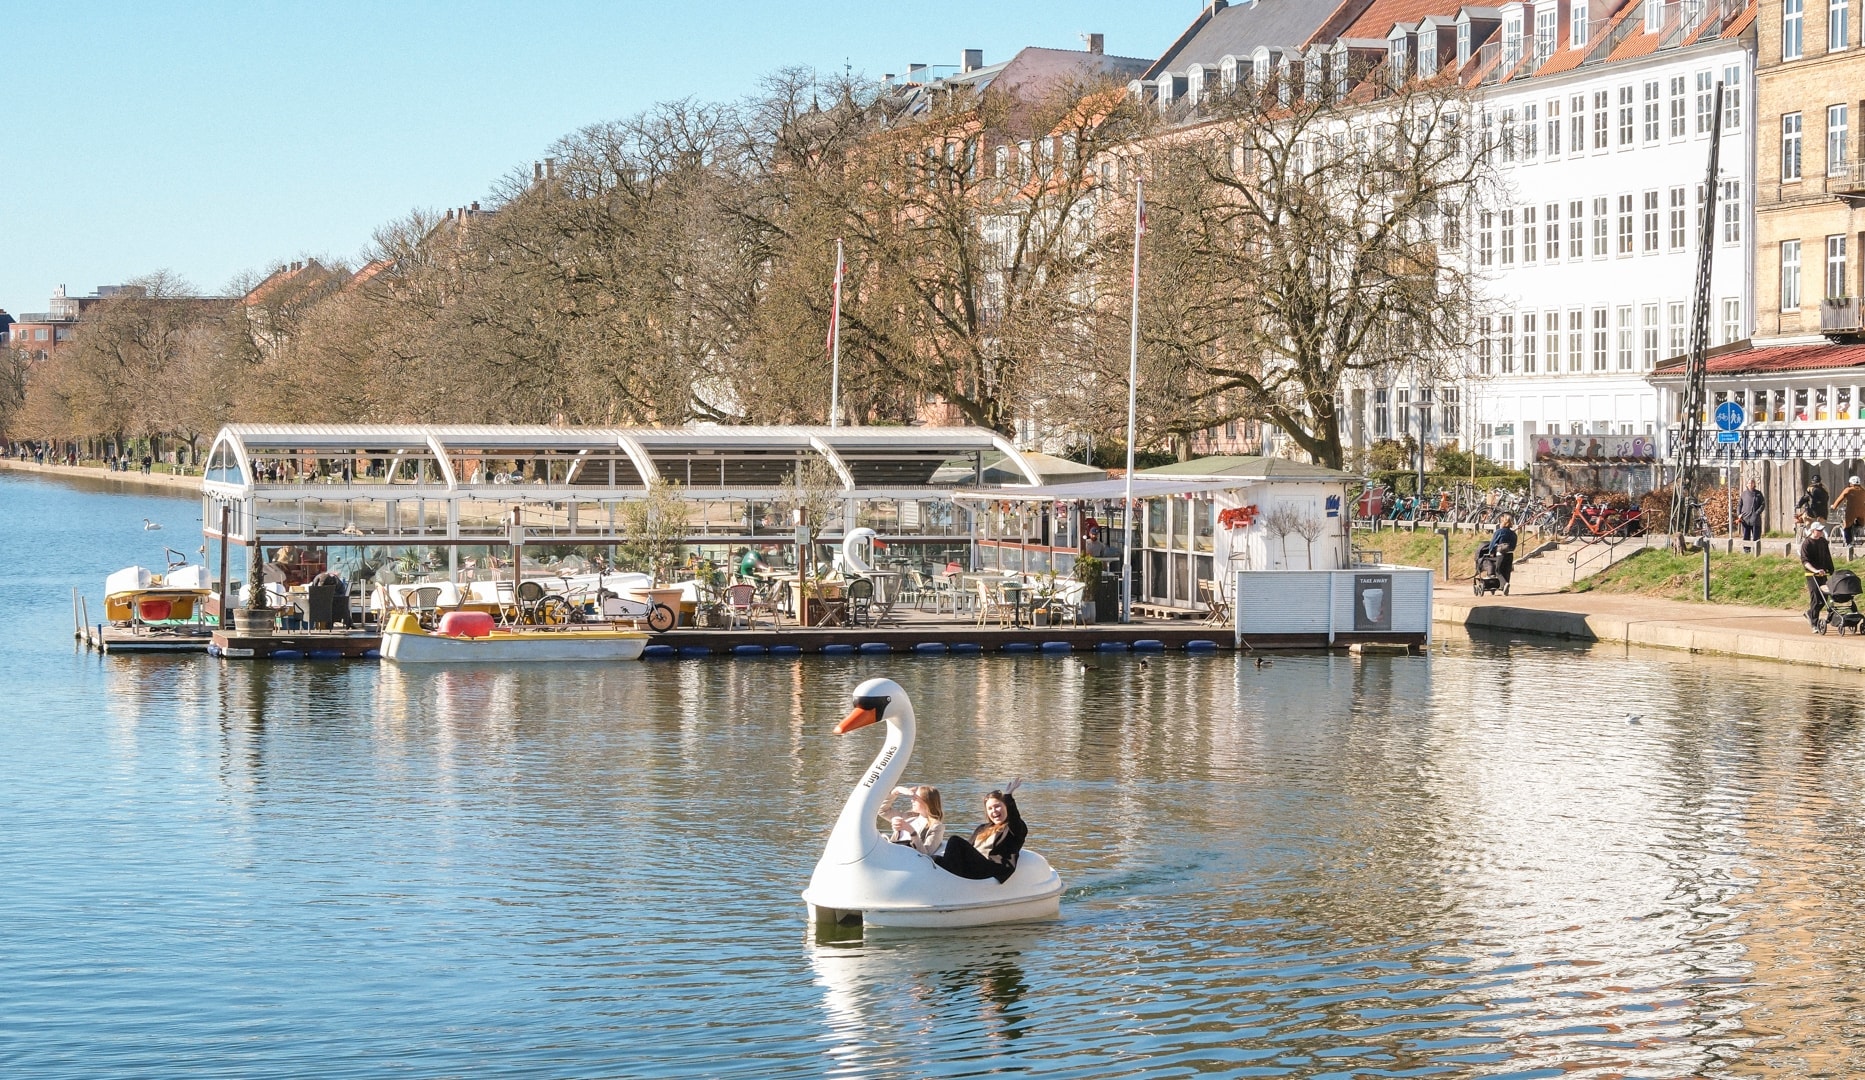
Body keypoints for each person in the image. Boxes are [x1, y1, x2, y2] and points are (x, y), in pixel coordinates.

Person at [934, 779, 1027, 883]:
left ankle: (949, 881)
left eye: (997, 806)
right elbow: (968, 848)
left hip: (992, 867)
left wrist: (1008, 796)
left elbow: (1015, 819)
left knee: (955, 840)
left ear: (1006, 807)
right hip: (975, 865)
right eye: (990, 808)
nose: (994, 811)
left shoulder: (1014, 829)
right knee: (934, 859)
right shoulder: (982, 828)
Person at [886, 784, 945, 857]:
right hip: (892, 855)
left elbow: (926, 855)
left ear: (927, 802)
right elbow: (883, 810)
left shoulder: (936, 827)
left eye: (915, 798)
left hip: (906, 861)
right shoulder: (909, 818)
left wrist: (912, 832)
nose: (911, 800)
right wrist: (896, 791)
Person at [1802, 520, 1835, 630]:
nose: (1821, 532)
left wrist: (1831, 569)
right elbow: (1805, 561)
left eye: (1821, 530)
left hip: (1823, 573)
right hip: (1811, 575)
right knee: (1816, 598)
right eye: (1818, 530)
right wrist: (1815, 570)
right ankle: (1814, 624)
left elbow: (1827, 556)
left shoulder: (1823, 542)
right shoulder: (1807, 543)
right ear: (1812, 531)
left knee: (1824, 598)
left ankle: (1810, 613)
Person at [1485, 513, 1518, 587]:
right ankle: (1505, 587)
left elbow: (1492, 544)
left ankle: (1505, 584)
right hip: (1510, 554)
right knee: (1507, 571)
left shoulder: (1499, 532)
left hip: (1501, 554)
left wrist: (1491, 551)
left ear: (1503, 522)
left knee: (1498, 571)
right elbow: (1514, 545)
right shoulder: (1513, 534)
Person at [1737, 478, 1766, 550]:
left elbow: (1762, 505)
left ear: (1754, 484)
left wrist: (1756, 513)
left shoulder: (1758, 494)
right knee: (1746, 535)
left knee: (1756, 536)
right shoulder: (1744, 494)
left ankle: (1756, 550)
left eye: (1752, 483)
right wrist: (1739, 514)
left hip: (1755, 519)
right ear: (1747, 484)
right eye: (1749, 483)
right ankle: (1746, 550)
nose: (1750, 484)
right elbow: (1739, 505)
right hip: (1745, 518)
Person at [1836, 476, 1865, 545]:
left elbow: (1840, 499)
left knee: (1847, 527)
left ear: (1851, 483)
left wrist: (1834, 506)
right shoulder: (1863, 490)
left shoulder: (1848, 490)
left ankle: (1849, 543)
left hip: (1851, 511)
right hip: (1862, 512)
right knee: (1860, 523)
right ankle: (1856, 530)